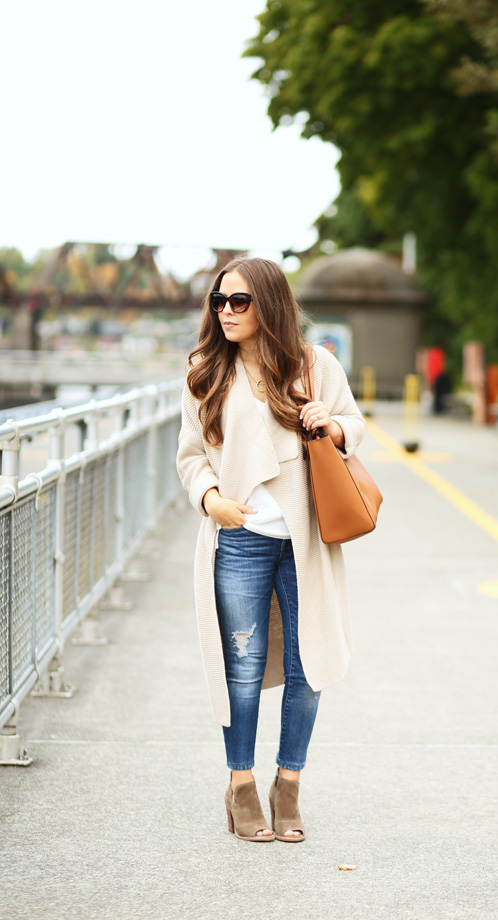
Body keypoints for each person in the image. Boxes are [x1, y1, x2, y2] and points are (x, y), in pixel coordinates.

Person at [176, 256, 365, 843]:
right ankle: (240, 786)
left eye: (239, 302)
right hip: (239, 540)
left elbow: (353, 425)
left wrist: (328, 424)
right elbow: (189, 457)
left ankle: (289, 786)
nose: (226, 312)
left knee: (308, 666)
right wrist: (212, 501)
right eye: (219, 301)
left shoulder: (314, 364)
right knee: (244, 667)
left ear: (270, 305)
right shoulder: (206, 372)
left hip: (307, 542)